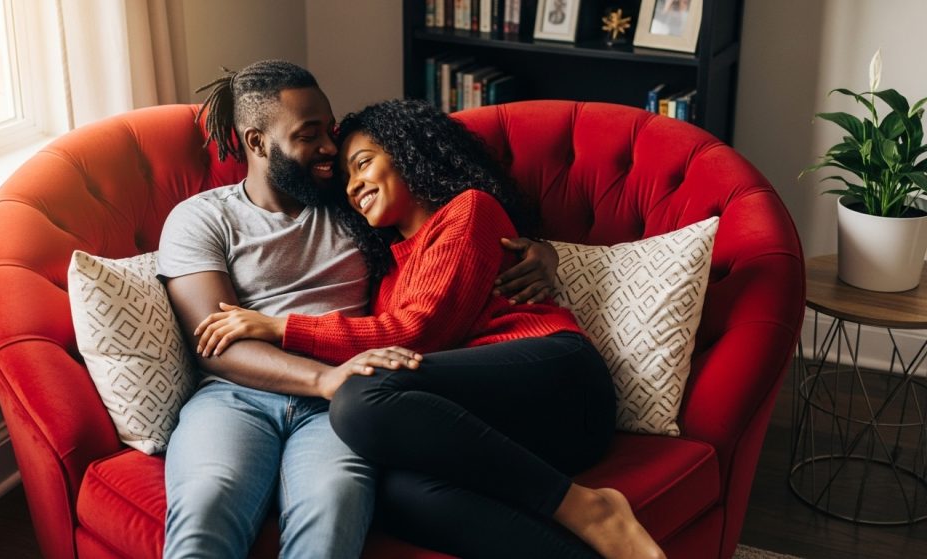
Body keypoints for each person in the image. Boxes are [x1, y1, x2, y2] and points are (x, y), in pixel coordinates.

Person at [194, 99, 665, 559]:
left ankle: (590, 508)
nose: (354, 186)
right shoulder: (385, 271)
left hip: (560, 383)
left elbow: (417, 334)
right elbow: (395, 337)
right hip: (504, 425)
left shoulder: (469, 210)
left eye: (362, 164)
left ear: (409, 153)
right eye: (346, 180)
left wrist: (278, 327)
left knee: (360, 398)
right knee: (400, 495)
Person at [157, 61, 558, 559]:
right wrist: (323, 379)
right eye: (310, 135)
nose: (330, 148)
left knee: (332, 509)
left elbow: (449, 222)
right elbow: (217, 345)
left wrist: (540, 249)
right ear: (257, 143)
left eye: (330, 129)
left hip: (344, 407)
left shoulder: (354, 204)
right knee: (207, 502)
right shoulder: (201, 218)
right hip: (239, 398)